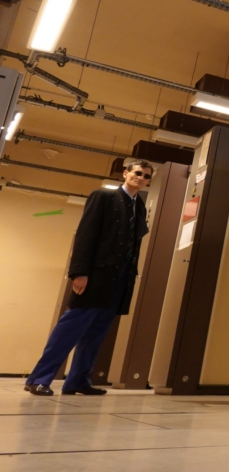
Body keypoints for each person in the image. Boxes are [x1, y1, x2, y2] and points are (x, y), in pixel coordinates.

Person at [24, 159, 154, 396]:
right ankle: (38, 379)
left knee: (96, 334)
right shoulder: (104, 197)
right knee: (70, 329)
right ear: (125, 173)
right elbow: (86, 234)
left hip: (120, 279)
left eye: (146, 176)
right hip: (96, 275)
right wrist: (79, 272)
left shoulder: (139, 207)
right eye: (137, 172)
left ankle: (78, 381)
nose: (141, 178)